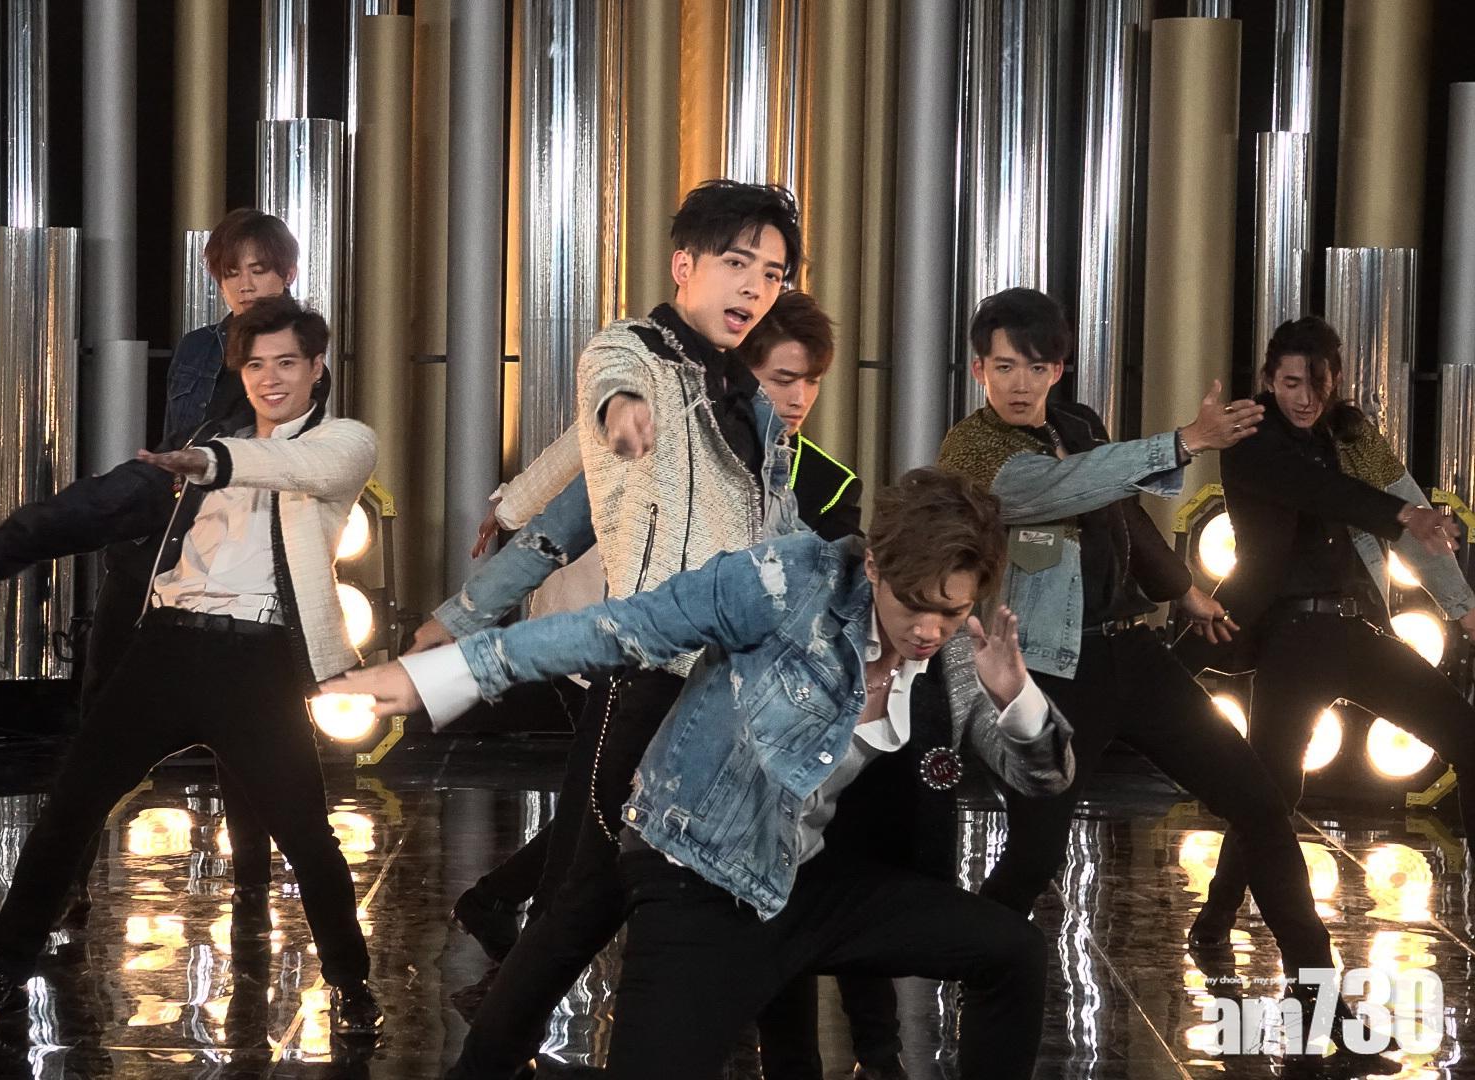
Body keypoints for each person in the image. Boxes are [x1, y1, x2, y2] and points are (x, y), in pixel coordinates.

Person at [325, 468, 1075, 1079]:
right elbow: (619, 628)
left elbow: (1039, 778)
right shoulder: (787, 582)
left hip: (810, 881)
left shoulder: (955, 649)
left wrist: (1019, 698)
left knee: (1012, 951)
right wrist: (438, 675)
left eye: (952, 610)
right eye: (915, 605)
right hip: (702, 876)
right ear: (874, 564)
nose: (930, 629)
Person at [404, 179, 809, 1078]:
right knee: (577, 906)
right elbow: (607, 388)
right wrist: (621, 414)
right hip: (646, 677)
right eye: (737, 262)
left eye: (773, 273)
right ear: (685, 264)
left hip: (731, 694)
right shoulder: (635, 353)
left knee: (756, 892)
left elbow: (579, 514)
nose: (754, 286)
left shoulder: (749, 404)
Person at [927, 289, 1387, 1072]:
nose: (1019, 383)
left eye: (1035, 368)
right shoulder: (971, 451)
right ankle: (970, 969)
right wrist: (1185, 440)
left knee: (1261, 805)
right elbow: (1069, 488)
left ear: (1059, 369)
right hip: (1054, 672)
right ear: (978, 369)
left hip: (1132, 655)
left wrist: (1184, 589)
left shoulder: (1077, 425)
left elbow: (1123, 511)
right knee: (1034, 858)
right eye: (1003, 367)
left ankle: (1324, 1009)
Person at [0, 298, 385, 1038]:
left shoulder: (343, 441)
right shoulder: (205, 442)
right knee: (70, 806)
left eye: (286, 363)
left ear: (316, 368)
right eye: (255, 365)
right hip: (167, 648)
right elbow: (101, 506)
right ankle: (4, 973)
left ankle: (350, 985)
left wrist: (211, 462)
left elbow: (296, 465)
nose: (270, 379)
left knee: (307, 834)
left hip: (257, 661)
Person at [445, 289, 861, 965]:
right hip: (632, 646)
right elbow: (579, 462)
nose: (798, 398)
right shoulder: (680, 416)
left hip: (727, 688)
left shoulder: (825, 479)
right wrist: (510, 516)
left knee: (633, 825)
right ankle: (516, 973)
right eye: (782, 379)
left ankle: (517, 927)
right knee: (594, 828)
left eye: (810, 381)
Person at [0, 209, 297, 920]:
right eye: (232, 273)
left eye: (260, 270)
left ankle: (251, 884)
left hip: (243, 563)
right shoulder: (200, 347)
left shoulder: (299, 354)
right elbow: (175, 446)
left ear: (287, 273)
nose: (247, 285)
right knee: (101, 722)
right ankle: (67, 888)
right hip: (158, 547)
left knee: (251, 729)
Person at [1193, 316, 1475, 951]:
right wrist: (1402, 514)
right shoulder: (1250, 435)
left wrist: (1462, 606)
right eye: (1290, 383)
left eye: (1316, 385)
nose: (1304, 398)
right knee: (1273, 790)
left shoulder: (1350, 435)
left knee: (1466, 736)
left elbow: (1415, 514)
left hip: (1355, 628)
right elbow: (1320, 491)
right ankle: (1215, 919)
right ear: (1269, 380)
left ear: (1335, 381)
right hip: (1291, 637)